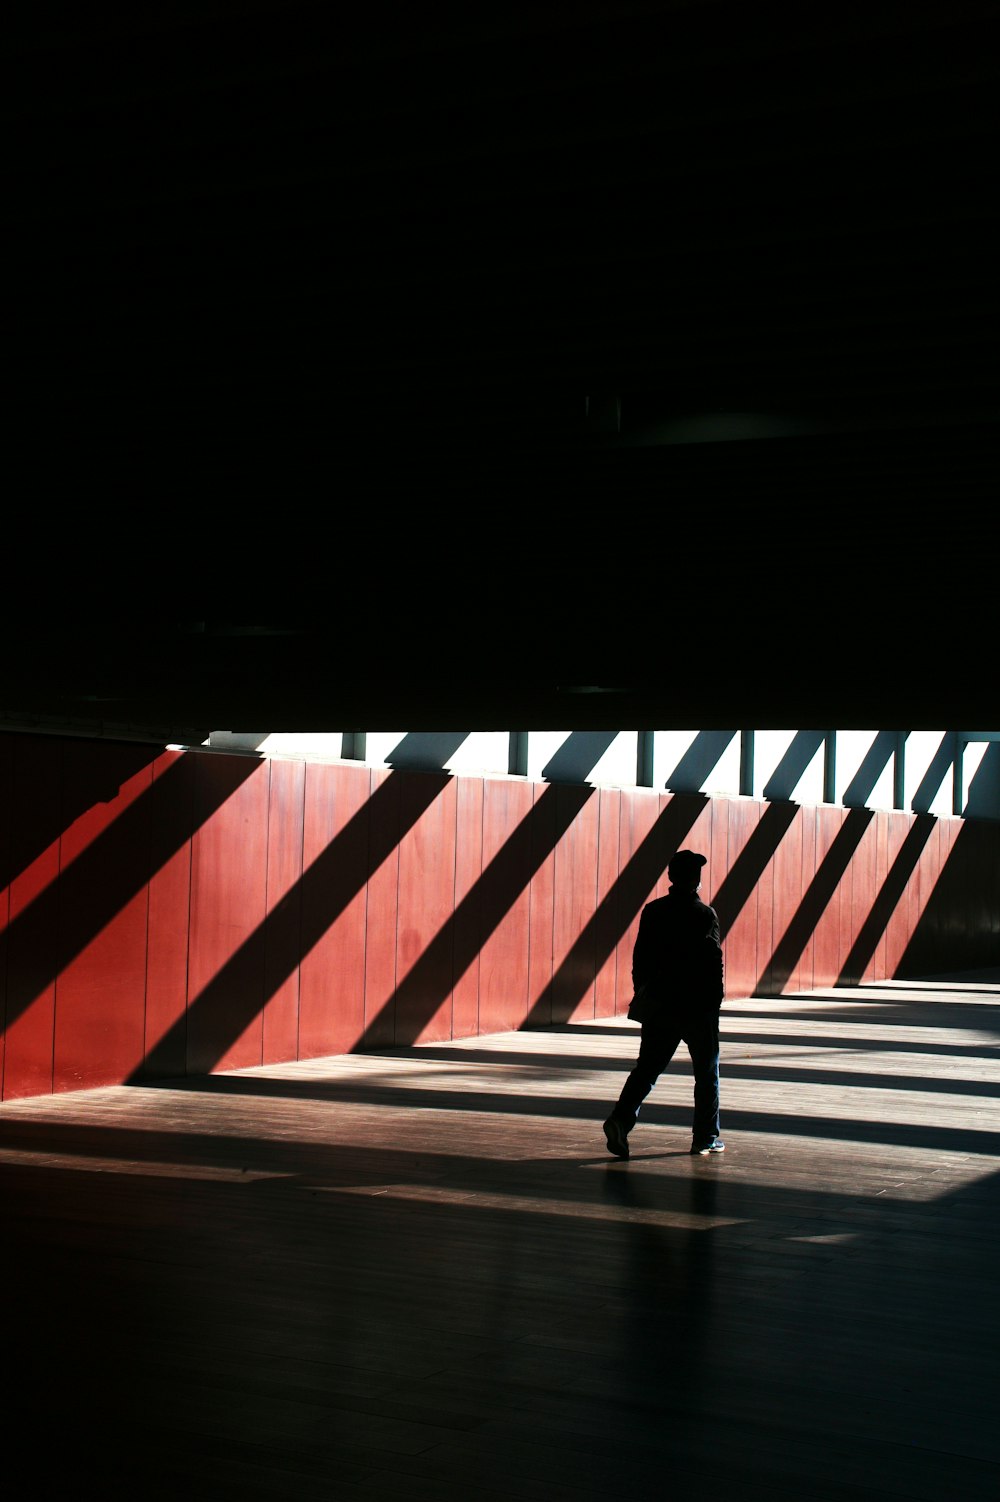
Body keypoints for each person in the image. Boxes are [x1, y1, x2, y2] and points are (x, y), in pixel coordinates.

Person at [603, 848, 725, 1159]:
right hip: (697, 1007)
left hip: (660, 1004)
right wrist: (714, 1003)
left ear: (670, 877)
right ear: (695, 880)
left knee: (647, 1069)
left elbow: (640, 958)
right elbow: (713, 964)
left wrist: (644, 992)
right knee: (706, 1073)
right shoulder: (704, 915)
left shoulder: (653, 911)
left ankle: (620, 1119)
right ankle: (705, 1137)